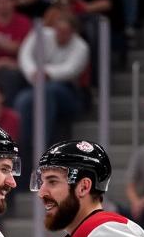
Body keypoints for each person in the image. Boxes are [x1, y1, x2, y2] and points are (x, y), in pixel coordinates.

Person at [14, 9, 89, 148]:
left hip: (68, 93)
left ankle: (42, 145)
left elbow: (71, 69)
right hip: (37, 85)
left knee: (48, 92)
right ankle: (22, 146)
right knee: (22, 100)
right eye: (58, 30)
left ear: (73, 32)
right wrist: (32, 72)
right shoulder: (41, 34)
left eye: (65, 32)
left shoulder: (81, 46)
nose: (61, 35)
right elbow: (24, 54)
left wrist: (46, 73)